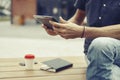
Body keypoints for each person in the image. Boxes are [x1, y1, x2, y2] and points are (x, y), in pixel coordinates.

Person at [42, 0, 120, 80]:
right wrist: (60, 29)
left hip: (110, 48)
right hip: (94, 54)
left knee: (101, 45)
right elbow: (77, 19)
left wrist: (84, 32)